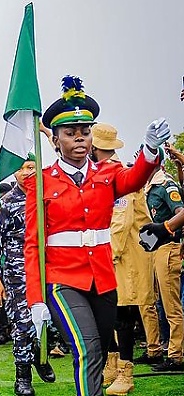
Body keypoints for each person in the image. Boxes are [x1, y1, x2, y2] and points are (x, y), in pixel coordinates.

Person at [24, 75, 168, 396]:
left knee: (101, 351)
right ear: (56, 139)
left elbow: (135, 178)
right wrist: (35, 299)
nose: (79, 138)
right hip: (62, 281)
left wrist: (150, 150)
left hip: (103, 279)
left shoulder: (108, 172)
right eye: (70, 133)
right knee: (87, 351)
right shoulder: (41, 182)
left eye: (85, 132)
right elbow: (32, 245)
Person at [89, 123, 155, 394]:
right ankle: (112, 366)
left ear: (95, 148)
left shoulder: (119, 174)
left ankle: (126, 373)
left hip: (124, 257)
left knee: (123, 315)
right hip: (115, 257)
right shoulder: (102, 171)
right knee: (110, 313)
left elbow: (120, 222)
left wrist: (105, 254)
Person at [0, 155, 55, 396]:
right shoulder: (6, 203)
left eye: (32, 168)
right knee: (23, 326)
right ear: (15, 173)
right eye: (23, 169)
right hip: (17, 275)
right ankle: (23, 377)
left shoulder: (47, 196)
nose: (27, 173)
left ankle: (40, 355)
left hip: (49, 271)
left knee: (50, 323)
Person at [137, 155, 184, 371]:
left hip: (168, 247)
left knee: (170, 305)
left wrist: (166, 228)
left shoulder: (165, 184)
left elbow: (181, 212)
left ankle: (176, 355)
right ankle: (154, 349)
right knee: (149, 301)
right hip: (152, 248)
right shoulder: (146, 186)